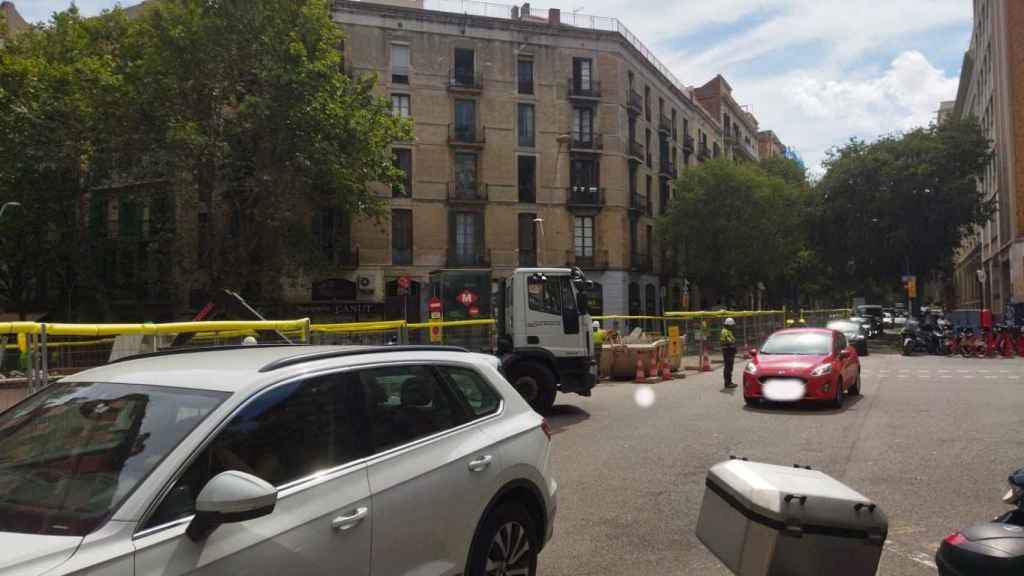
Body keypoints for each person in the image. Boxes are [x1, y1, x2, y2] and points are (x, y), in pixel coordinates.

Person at [721, 318, 738, 388]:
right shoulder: (725, 332)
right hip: (728, 352)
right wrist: (733, 348)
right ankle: (728, 383)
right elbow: (729, 342)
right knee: (728, 368)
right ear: (729, 325)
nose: (733, 327)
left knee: (728, 367)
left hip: (729, 351)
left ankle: (729, 382)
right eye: (732, 325)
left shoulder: (727, 331)